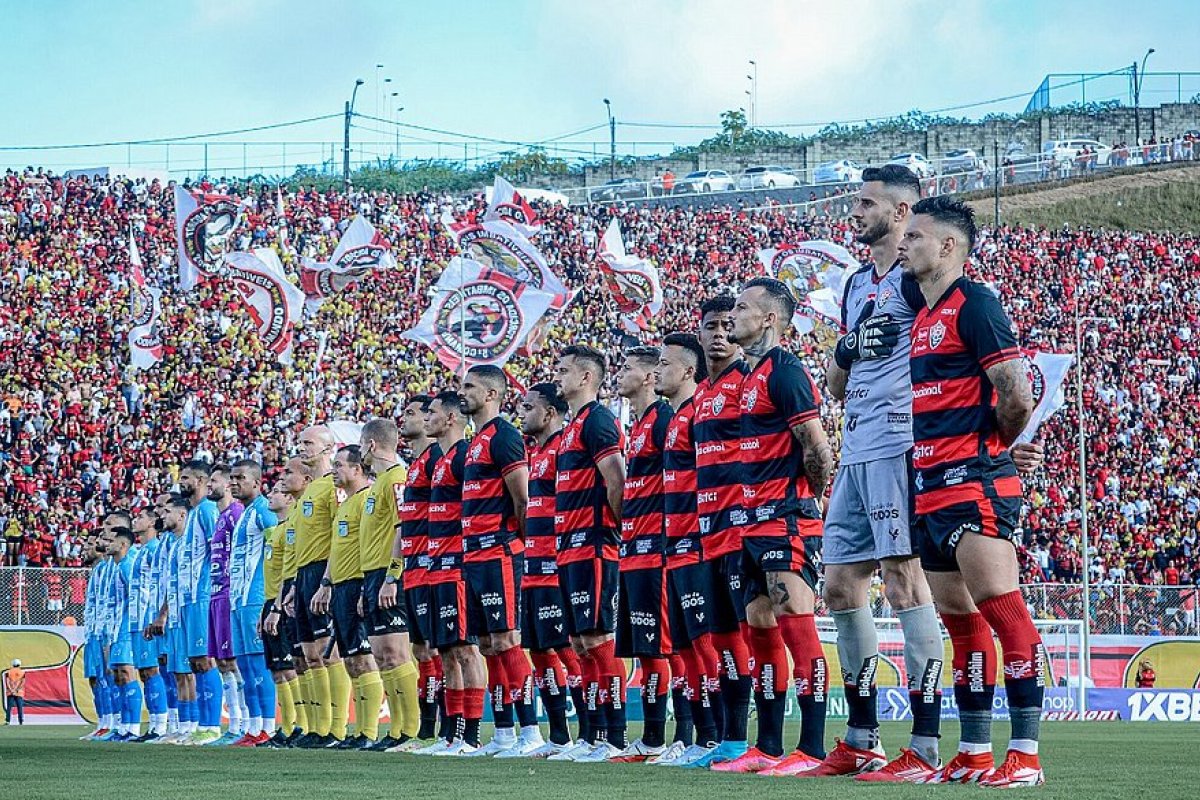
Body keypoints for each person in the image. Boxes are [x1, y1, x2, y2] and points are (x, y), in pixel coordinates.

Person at [898, 195, 1045, 788]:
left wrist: (993, 450)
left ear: (948, 246)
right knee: (960, 621)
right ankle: (977, 751)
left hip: (973, 480)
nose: (904, 245)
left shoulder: (976, 304)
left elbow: (1015, 395)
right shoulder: (921, 312)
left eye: (915, 237)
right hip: (928, 485)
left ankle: (1027, 756)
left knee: (1001, 606)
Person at [815, 164, 946, 779]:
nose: (856, 212)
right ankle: (861, 736)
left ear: (900, 212)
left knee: (903, 581)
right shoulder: (854, 284)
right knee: (839, 585)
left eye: (866, 203)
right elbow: (839, 382)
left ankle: (924, 744)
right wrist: (845, 351)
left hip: (899, 438)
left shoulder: (922, 280)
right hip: (856, 440)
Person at [711, 277, 834, 776]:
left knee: (797, 630)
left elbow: (816, 446)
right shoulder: (745, 376)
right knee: (758, 630)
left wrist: (809, 498)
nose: (730, 317)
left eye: (741, 308)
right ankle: (767, 746)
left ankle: (813, 747)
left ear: (768, 319)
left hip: (784, 520)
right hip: (747, 523)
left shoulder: (785, 371)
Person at [459, 365, 543, 757]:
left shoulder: (506, 437)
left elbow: (522, 498)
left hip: (500, 553)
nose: (463, 392)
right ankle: (504, 732)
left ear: (492, 394)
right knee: (489, 645)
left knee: (507, 640)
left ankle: (531, 732)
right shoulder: (477, 439)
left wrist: (519, 542)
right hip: (475, 555)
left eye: (470, 386)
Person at [550, 345, 627, 763]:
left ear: (584, 378)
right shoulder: (572, 427)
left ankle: (612, 736)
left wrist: (616, 529)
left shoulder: (597, 420)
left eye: (564, 371)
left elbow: (617, 479)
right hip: (569, 547)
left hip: (594, 545)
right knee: (580, 642)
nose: (557, 376)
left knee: (597, 639)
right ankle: (592, 733)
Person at [686, 296, 754, 769]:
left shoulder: (746, 381)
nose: (719, 333)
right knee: (723, 638)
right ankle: (730, 739)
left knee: (756, 635)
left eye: (728, 325)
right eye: (710, 325)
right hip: (707, 531)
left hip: (744, 527)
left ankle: (758, 740)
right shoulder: (703, 395)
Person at [651, 332, 721, 766]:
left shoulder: (697, 414)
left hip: (697, 543)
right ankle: (698, 735)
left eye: (664, 364)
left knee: (703, 643)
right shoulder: (675, 417)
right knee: (682, 648)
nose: (658, 370)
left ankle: (713, 736)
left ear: (688, 371)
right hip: (672, 544)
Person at [610, 345, 677, 762]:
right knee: (647, 650)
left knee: (664, 648)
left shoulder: (663, 420)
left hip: (658, 547)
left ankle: (685, 737)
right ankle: (653, 739)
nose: (620, 374)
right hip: (634, 548)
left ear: (650, 377)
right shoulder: (639, 425)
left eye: (628, 368)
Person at [516, 382, 582, 757]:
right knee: (540, 651)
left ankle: (595, 732)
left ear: (550, 414)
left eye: (529, 407)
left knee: (569, 648)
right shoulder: (536, 453)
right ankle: (559, 736)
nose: (523, 413)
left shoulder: (563, 449)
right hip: (533, 564)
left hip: (558, 564)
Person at [420, 391, 485, 755]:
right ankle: (452, 734)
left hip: (459, 566)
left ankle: (471, 735)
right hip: (437, 566)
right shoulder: (441, 460)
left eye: (432, 412)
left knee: (465, 651)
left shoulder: (462, 456)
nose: (427, 418)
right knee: (447, 653)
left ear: (450, 419)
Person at [310, 445, 385, 749]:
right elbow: (337, 549)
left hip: (357, 584)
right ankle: (358, 731)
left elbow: (370, 546)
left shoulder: (367, 498)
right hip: (340, 586)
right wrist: (327, 582)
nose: (334, 470)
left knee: (364, 659)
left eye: (339, 465)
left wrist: (367, 586)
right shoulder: (347, 504)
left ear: (357, 469)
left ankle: (368, 733)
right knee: (351, 661)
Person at [358, 417, 421, 752]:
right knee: (382, 655)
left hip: (387, 574)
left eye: (361, 445)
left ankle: (409, 730)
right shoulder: (378, 483)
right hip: (371, 576)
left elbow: (403, 527)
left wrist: (393, 576)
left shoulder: (397, 478)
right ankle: (397, 730)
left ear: (371, 444)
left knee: (396, 653)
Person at [389, 396, 448, 750]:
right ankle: (426, 732)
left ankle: (444, 729)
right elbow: (404, 523)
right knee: (422, 651)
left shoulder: (439, 458)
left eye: (412, 413)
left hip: (435, 565)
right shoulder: (417, 463)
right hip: (414, 568)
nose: (405, 418)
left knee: (440, 650)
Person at [285, 426, 349, 747]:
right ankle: (318, 728)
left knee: (329, 655)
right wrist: (297, 585)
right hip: (303, 576)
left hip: (324, 574)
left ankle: (336, 730)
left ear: (328, 448)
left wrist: (328, 580)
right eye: (300, 442)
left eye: (308, 442)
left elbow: (339, 536)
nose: (302, 447)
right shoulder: (308, 491)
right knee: (309, 655)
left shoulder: (333, 487)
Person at [227, 459, 279, 746]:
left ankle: (267, 727)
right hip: (239, 600)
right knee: (244, 666)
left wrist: (269, 597)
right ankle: (253, 726)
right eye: (232, 478)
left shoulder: (263, 511)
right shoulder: (245, 514)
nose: (234, 482)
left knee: (259, 665)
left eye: (240, 478)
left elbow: (276, 549)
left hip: (255, 598)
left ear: (257, 482)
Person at [261, 468, 308, 748]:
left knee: (291, 666)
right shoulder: (275, 531)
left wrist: (278, 606)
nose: (272, 494)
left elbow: (287, 572)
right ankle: (288, 724)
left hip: (282, 600)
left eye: (277, 490)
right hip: (271, 601)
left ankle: (299, 724)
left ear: (290, 499)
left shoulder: (290, 528)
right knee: (278, 669)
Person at [177, 460, 222, 745]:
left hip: (204, 594)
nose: (180, 482)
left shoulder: (207, 510)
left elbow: (218, 549)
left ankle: (212, 725)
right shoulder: (194, 513)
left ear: (202, 480)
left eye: (185, 477)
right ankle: (201, 725)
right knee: (195, 662)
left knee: (206, 660)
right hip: (190, 597)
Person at [206, 464, 248, 745]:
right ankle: (234, 725)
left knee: (232, 660)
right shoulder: (220, 517)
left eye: (214, 481)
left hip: (230, 593)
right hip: (216, 592)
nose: (211, 485)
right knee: (221, 661)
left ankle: (244, 724)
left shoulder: (236, 514)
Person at [129, 505, 169, 742]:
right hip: (140, 619)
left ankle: (163, 725)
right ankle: (155, 725)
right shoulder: (142, 551)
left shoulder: (155, 549)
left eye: (141, 516)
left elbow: (161, 584)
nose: (136, 519)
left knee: (157, 670)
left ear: (153, 522)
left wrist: (158, 615)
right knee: (146, 672)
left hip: (152, 617)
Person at [104, 525, 141, 741]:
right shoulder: (117, 567)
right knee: (118, 676)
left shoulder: (128, 566)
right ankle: (123, 726)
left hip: (127, 626)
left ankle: (133, 727)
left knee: (127, 672)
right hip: (116, 628)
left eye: (112, 540)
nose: (108, 544)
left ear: (123, 544)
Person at [4, 658, 25, 725]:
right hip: (19, 692)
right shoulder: (22, 672)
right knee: (20, 707)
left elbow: (7, 682)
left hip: (10, 692)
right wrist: (16, 690)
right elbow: (23, 682)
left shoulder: (8, 672)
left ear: (12, 664)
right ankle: (20, 721)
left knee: (9, 708)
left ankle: (8, 721)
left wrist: (11, 690)